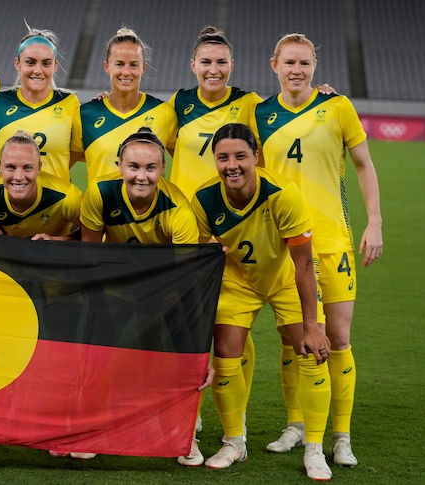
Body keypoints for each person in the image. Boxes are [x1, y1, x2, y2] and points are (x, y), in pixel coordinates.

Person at [254, 33, 383, 468]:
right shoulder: (259, 114)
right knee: (294, 342)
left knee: (339, 339)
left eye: (305, 63)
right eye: (289, 62)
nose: (297, 70)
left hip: (332, 243)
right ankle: (296, 425)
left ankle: (341, 435)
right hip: (283, 246)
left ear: (315, 67)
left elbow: (364, 164)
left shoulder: (338, 106)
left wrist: (375, 223)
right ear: (274, 64)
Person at [192, 123, 333, 481]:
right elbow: (196, 251)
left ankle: (314, 449)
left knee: (310, 350)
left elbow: (303, 264)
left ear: (256, 157)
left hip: (285, 277)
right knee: (226, 356)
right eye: (223, 158)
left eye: (240, 156)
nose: (232, 165)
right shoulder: (204, 198)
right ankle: (234, 442)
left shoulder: (282, 195)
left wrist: (313, 325)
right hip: (237, 280)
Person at [79, 127, 211, 461]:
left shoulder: (178, 209)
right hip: (117, 286)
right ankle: (94, 429)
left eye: (151, 168)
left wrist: (197, 342)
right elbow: (89, 257)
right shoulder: (99, 194)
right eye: (134, 167)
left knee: (178, 361)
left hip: (167, 291)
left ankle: (184, 432)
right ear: (120, 165)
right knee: (100, 357)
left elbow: (187, 278)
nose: (142, 176)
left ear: (162, 169)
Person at [167, 27, 262, 466]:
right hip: (187, 232)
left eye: (221, 62)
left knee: (232, 331)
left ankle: (234, 424)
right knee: (188, 327)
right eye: (205, 62)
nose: (213, 69)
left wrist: (324, 93)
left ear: (232, 66)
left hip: (234, 233)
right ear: (193, 65)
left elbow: (282, 124)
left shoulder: (250, 104)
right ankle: (193, 414)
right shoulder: (179, 104)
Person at [0, 130, 82, 454]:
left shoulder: (67, 198)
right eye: (11, 168)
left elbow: (91, 240)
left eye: (27, 168)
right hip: (7, 287)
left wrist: (57, 243)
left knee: (54, 361)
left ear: (40, 167)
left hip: (56, 289)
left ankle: (55, 432)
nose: (19, 176)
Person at [73, 28, 177, 186]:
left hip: (149, 210)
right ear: (107, 66)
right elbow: (62, 163)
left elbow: (187, 160)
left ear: (144, 68)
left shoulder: (165, 113)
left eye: (134, 65)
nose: (126, 72)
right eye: (119, 64)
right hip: (100, 210)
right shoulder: (85, 115)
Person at [0, 25, 80, 181]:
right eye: (30, 62)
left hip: (56, 202)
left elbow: (78, 152)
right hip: (9, 202)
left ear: (55, 66)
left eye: (46, 63)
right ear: (17, 63)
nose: (38, 70)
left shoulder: (69, 102)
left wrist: (51, 171)